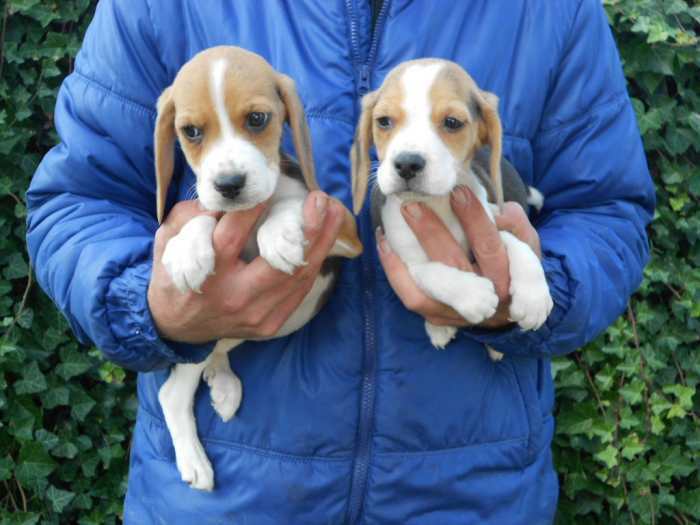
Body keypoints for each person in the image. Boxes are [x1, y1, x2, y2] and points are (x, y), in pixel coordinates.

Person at [26, 1, 655, 523]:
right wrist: (149, 305)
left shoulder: (556, 11)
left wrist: (534, 295)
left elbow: (608, 210)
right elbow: (80, 199)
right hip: (223, 502)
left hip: (473, 495)